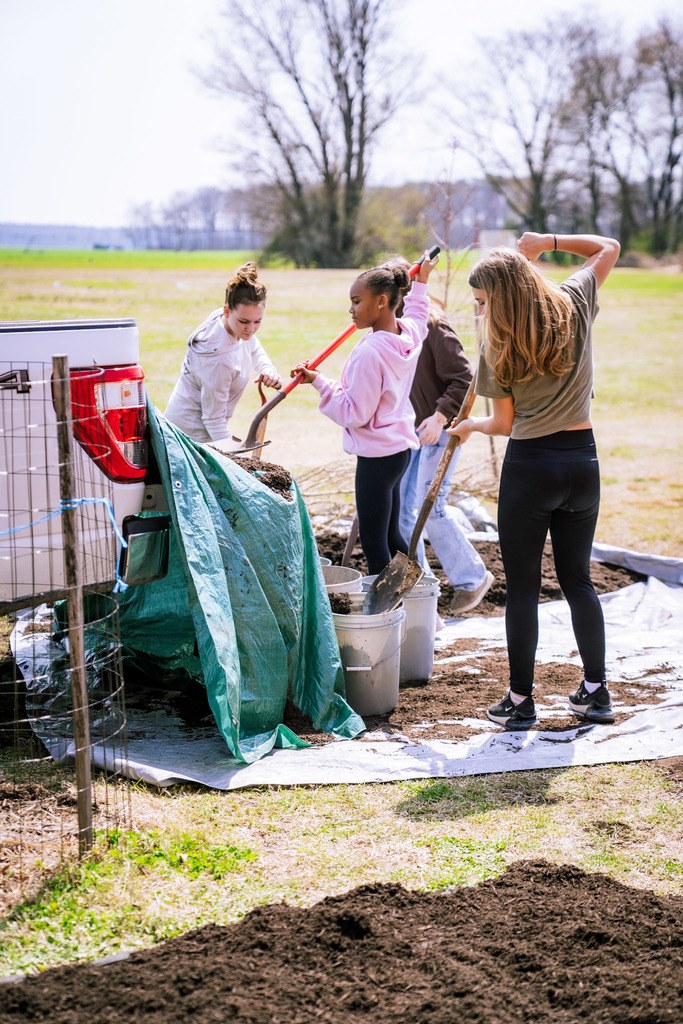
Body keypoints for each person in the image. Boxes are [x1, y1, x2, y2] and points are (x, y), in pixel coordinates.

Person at [447, 232, 621, 730]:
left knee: (523, 587)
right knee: (578, 580)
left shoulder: (496, 346)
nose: (480, 311)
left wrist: (471, 425)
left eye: (483, 301)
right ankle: (596, 692)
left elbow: (504, 424)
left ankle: (521, 700)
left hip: (530, 468)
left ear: (501, 298)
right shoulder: (573, 302)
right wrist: (547, 241)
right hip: (582, 464)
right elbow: (607, 248)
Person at [291, 251, 438, 576]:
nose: (351, 310)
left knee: (374, 543)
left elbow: (355, 412)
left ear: (382, 301)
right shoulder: (407, 335)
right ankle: (413, 600)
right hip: (398, 452)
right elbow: (418, 314)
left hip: (376, 458)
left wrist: (320, 384)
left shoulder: (370, 353)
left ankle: (383, 606)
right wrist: (422, 282)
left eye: (357, 301)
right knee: (391, 535)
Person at [394, 271, 494, 615]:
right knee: (403, 514)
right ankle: (420, 593)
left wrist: (439, 417)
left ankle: (472, 578)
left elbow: (464, 379)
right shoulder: (397, 331)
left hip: (440, 431)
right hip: (411, 433)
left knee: (430, 507)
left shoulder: (434, 329)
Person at [164, 262, 282, 443]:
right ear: (226, 311)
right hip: (189, 437)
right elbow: (213, 421)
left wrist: (266, 368)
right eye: (244, 321)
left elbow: (252, 345)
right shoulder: (218, 360)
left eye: (257, 321)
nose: (251, 329)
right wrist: (232, 454)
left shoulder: (228, 322)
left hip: (206, 431)